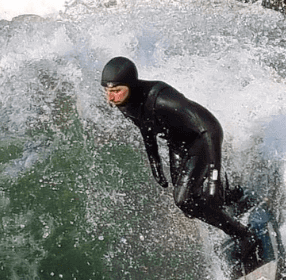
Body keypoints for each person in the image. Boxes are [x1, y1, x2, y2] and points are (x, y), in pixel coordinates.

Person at [100, 57, 260, 257]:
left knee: (184, 200)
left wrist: (214, 175)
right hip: (178, 143)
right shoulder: (125, 99)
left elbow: (211, 128)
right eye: (107, 91)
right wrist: (154, 161)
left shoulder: (162, 99)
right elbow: (144, 124)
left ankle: (243, 235)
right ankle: (231, 196)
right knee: (189, 206)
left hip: (201, 139)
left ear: (131, 85)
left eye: (116, 91)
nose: (110, 98)